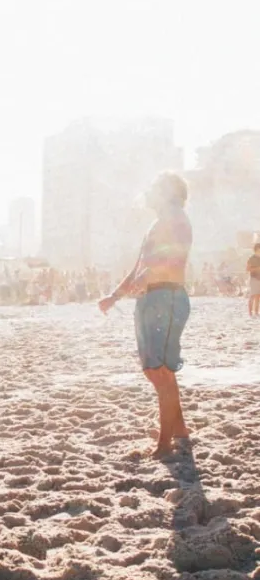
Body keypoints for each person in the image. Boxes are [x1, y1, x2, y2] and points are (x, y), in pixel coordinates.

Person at [99, 172, 192, 459]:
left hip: (167, 297)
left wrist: (148, 273)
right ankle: (179, 430)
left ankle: (165, 444)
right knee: (153, 369)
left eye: (153, 188)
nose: (148, 193)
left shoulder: (176, 218)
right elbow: (138, 265)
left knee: (162, 370)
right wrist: (114, 296)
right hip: (150, 299)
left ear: (167, 192)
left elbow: (175, 258)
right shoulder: (157, 223)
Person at [247, 244, 260, 316]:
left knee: (258, 296)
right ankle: (250, 312)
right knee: (252, 295)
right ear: (256, 250)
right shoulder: (252, 258)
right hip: (254, 279)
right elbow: (248, 269)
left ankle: (256, 312)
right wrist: (257, 269)